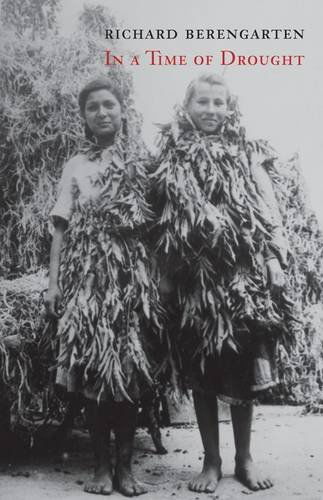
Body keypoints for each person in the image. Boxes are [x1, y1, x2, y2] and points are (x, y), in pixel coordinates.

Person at [152, 73, 295, 493]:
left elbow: (265, 210)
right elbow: (159, 220)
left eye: (219, 103)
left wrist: (271, 257)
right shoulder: (171, 156)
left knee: (241, 369)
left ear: (230, 108)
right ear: (187, 106)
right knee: (202, 370)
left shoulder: (244, 153)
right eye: (203, 103)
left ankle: (244, 458)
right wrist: (164, 273)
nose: (212, 111)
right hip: (193, 283)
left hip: (240, 280)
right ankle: (211, 460)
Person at [44, 77, 159, 496]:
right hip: (88, 276)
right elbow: (60, 227)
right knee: (92, 370)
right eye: (93, 107)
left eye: (109, 105)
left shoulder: (141, 160)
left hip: (131, 277)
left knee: (126, 370)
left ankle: (126, 468)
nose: (102, 113)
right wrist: (54, 284)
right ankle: (100, 467)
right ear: (84, 117)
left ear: (122, 110)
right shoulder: (74, 166)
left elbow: (154, 224)